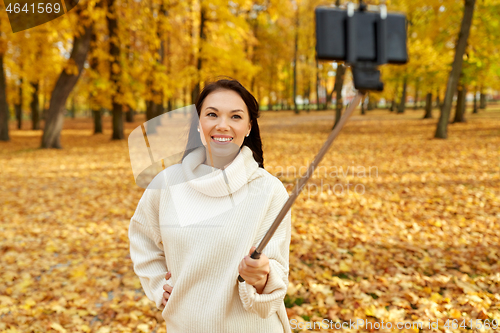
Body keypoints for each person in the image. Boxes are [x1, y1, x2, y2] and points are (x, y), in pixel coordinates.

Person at [128, 77, 292, 333]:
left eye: (236, 117)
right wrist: (159, 286)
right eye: (212, 114)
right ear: (199, 124)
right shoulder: (168, 183)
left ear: (249, 127)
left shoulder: (269, 190)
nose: (222, 125)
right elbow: (143, 238)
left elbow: (277, 274)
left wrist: (262, 276)